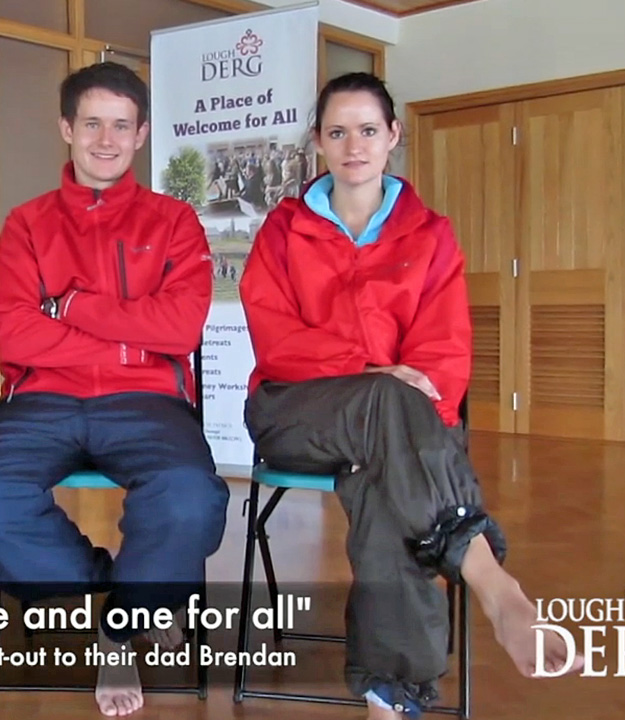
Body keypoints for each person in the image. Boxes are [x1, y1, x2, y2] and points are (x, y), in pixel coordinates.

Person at [239, 72, 583, 720]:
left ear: (392, 136)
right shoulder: (283, 233)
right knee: (389, 411)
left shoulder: (430, 235)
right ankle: (486, 574)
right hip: (296, 411)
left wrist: (392, 384)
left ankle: (388, 696)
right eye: (337, 131)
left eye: (368, 130)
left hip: (396, 431)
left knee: (384, 468)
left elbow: (445, 355)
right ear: (318, 142)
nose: (354, 145)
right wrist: (374, 370)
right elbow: (278, 341)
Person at [0, 62, 228, 718]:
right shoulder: (27, 224)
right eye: (92, 122)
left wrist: (68, 306)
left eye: (122, 125)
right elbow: (16, 337)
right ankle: (122, 596)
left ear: (142, 134)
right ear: (66, 128)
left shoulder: (175, 221)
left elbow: (180, 327)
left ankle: (119, 631)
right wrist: (131, 336)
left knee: (190, 500)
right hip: (40, 400)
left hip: (148, 401)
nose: (107, 138)